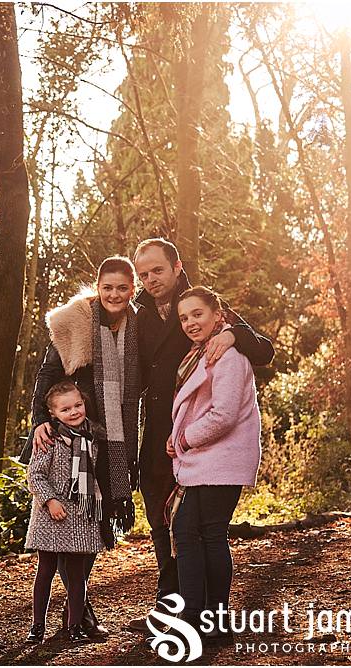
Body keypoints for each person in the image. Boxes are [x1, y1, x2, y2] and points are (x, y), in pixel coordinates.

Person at [129, 238, 273, 630]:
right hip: (159, 428)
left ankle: (198, 613)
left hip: (196, 436)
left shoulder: (202, 304)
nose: (150, 279)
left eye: (157, 270)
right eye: (143, 274)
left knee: (194, 528)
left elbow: (263, 349)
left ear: (176, 267)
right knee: (163, 522)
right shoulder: (136, 312)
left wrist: (233, 336)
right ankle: (170, 604)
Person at [23, 255, 141, 639]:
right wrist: (41, 420)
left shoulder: (139, 324)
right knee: (69, 527)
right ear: (98, 286)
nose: (114, 294)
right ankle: (80, 612)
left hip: (111, 440)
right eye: (107, 287)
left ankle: (77, 606)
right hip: (71, 437)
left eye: (122, 287)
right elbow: (48, 374)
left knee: (93, 527)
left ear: (132, 289)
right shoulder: (75, 322)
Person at [167, 286, 262, 637]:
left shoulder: (229, 356)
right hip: (206, 459)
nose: (190, 322)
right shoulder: (201, 354)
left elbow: (223, 415)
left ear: (217, 315)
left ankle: (200, 618)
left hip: (220, 459)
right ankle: (210, 621)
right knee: (198, 532)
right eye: (184, 318)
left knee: (198, 532)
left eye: (197, 314)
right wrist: (176, 437)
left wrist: (184, 439)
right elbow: (197, 408)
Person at [24, 380, 124, 643]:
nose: (74, 412)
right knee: (45, 570)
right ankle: (37, 627)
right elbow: (34, 475)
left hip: (82, 514)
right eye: (65, 409)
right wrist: (49, 500)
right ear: (53, 414)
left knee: (78, 574)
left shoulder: (95, 437)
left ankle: (75, 626)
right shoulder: (49, 438)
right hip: (50, 514)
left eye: (78, 405)